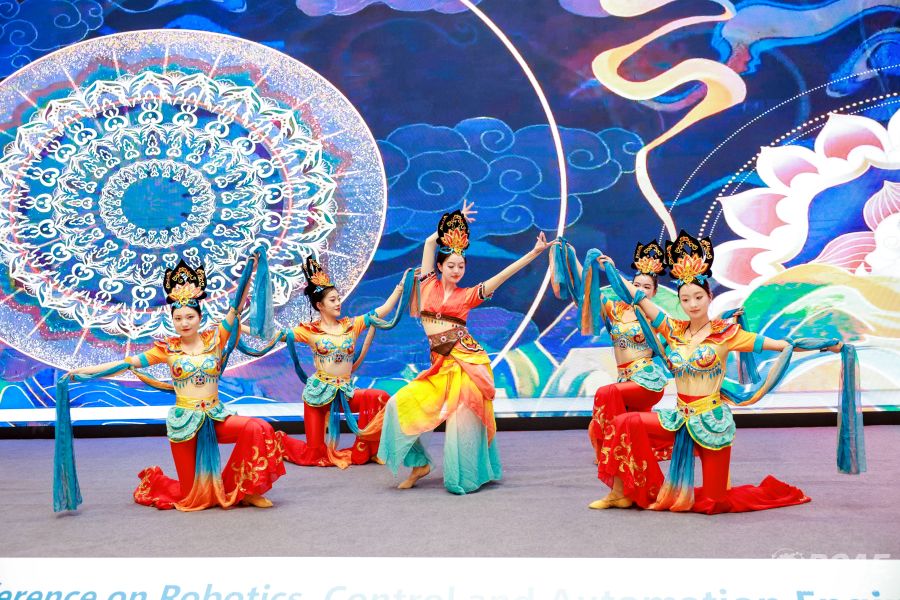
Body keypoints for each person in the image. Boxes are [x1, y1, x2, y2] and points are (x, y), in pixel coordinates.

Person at [590, 231, 843, 514]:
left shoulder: (727, 334)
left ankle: (747, 492)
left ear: (709, 296)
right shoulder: (673, 329)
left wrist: (825, 346)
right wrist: (610, 270)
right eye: (686, 299)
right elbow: (637, 297)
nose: (693, 304)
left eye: (698, 297)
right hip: (679, 419)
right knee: (623, 423)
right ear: (680, 302)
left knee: (714, 503)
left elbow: (780, 344)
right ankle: (623, 493)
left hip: (711, 423)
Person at [68, 255, 286, 510]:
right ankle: (159, 483)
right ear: (172, 320)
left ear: (199, 317)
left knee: (258, 428)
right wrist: (81, 372)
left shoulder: (216, 339)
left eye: (189, 317)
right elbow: (126, 364)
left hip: (215, 417)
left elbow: (236, 307)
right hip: (185, 424)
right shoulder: (167, 349)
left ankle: (246, 489)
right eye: (178, 318)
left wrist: (251, 270)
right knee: (192, 497)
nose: (184, 323)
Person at [367, 201, 555, 494]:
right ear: (440, 267)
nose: (456, 270)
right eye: (451, 265)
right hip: (439, 367)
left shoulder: (468, 295)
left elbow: (502, 276)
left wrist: (533, 254)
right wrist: (455, 219)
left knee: (461, 424)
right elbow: (430, 243)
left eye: (461, 266)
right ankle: (420, 464)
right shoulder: (427, 284)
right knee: (398, 405)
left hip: (466, 364)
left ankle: (466, 476)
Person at [551, 239, 669, 463]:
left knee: (606, 396)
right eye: (636, 284)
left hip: (646, 381)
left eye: (646, 287)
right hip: (624, 379)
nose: (639, 289)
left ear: (654, 292)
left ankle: (611, 458)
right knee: (625, 436)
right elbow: (590, 291)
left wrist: (612, 271)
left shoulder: (654, 316)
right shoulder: (616, 311)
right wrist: (572, 257)